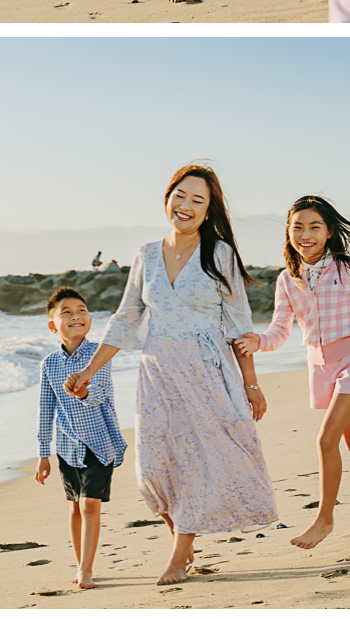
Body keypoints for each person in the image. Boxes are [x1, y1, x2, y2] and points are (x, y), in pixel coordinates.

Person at [64, 165, 278, 585]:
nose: (186, 206)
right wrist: (89, 369)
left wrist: (251, 384)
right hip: (158, 373)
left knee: (199, 463)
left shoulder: (220, 255)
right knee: (154, 469)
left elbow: (238, 325)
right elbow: (125, 320)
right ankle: (184, 535)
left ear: (208, 210)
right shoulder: (146, 254)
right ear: (167, 198)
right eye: (180, 195)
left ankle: (180, 554)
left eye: (198, 200)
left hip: (208, 372)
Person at [235, 196, 350, 550]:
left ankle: (325, 519)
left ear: (329, 232)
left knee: (326, 440)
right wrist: (258, 341)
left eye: (315, 227)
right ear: (288, 232)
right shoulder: (289, 280)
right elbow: (281, 331)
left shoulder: (349, 269)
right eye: (298, 227)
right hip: (320, 368)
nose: (306, 234)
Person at [36, 286, 127, 590]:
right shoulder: (49, 364)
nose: (76, 316)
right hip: (66, 447)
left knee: (90, 504)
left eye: (82, 310)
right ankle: (80, 564)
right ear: (53, 326)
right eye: (67, 312)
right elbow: (45, 410)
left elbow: (99, 394)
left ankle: (86, 570)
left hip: (100, 444)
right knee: (75, 506)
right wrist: (42, 453)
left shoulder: (99, 353)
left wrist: (82, 389)